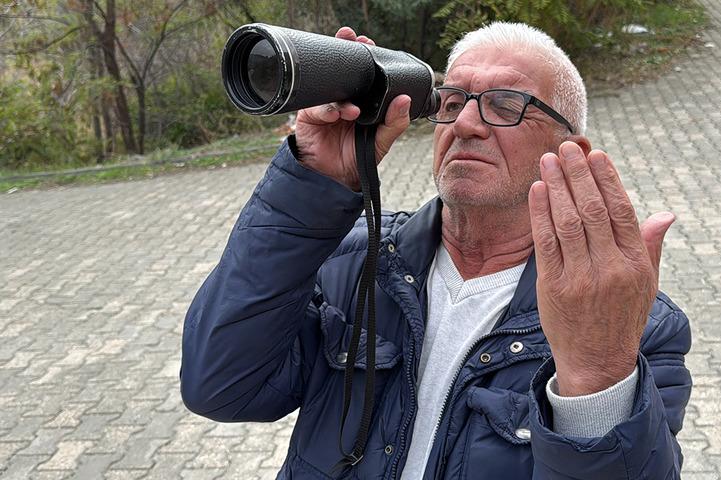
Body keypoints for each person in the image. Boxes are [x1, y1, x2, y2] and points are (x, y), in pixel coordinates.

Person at [181, 22, 692, 480]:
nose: (466, 124)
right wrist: (311, 186)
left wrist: (596, 370)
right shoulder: (353, 263)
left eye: (506, 104)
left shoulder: (632, 324)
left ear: (569, 153)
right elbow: (221, 387)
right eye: (451, 102)